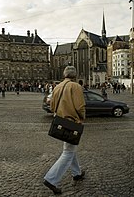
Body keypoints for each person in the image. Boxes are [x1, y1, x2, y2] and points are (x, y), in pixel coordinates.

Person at [42, 66, 85, 195]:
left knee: (70, 148)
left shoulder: (57, 87)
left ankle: (77, 173)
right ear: (75, 76)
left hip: (61, 122)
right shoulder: (75, 86)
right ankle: (51, 179)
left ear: (64, 75)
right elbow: (80, 106)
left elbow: (52, 106)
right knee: (68, 152)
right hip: (72, 123)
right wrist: (82, 118)